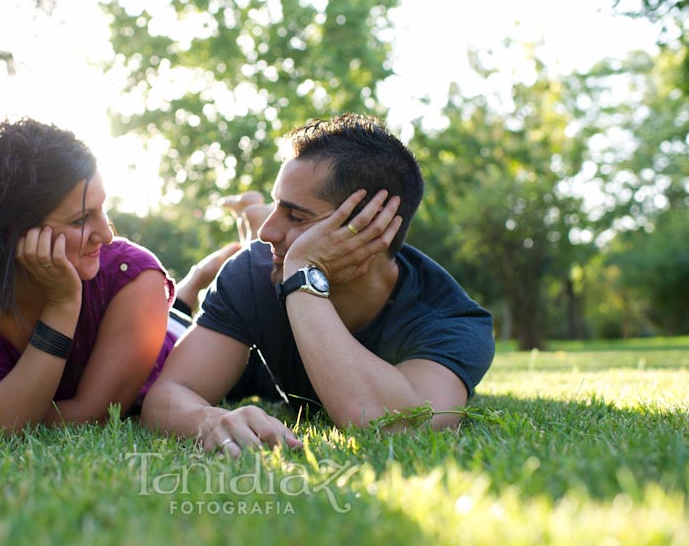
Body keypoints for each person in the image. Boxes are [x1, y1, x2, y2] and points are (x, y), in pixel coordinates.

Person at [140, 113, 496, 456]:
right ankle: (256, 212)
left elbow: (397, 426)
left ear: (372, 227)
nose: (268, 233)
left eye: (296, 216)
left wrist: (304, 272)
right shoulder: (252, 272)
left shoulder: (453, 321)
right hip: (260, 367)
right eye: (278, 208)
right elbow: (166, 397)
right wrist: (209, 420)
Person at [0, 118, 228, 433]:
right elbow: (6, 419)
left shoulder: (133, 274)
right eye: (81, 219)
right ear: (14, 232)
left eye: (103, 209)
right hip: (144, 317)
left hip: (179, 345)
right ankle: (194, 281)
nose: (106, 234)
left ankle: (200, 278)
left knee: (181, 318)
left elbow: (93, 416)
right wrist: (62, 304)